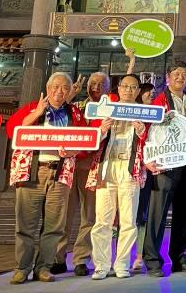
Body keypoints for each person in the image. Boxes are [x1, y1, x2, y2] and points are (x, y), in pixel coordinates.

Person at [6, 72, 87, 284]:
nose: (60, 91)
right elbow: (12, 130)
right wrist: (35, 114)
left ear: (70, 91)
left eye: (65, 88)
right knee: (26, 224)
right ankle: (22, 268)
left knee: (54, 226)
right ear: (48, 87)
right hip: (32, 171)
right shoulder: (34, 106)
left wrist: (73, 152)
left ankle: (43, 267)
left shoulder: (75, 114)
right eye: (56, 87)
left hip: (60, 173)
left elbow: (85, 141)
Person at [143, 60, 186, 277]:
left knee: (183, 212)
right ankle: (152, 260)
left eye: (184, 74)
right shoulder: (158, 101)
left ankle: (178, 257)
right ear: (167, 77)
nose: (180, 77)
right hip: (164, 163)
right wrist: (147, 159)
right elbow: (149, 131)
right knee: (158, 213)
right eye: (176, 74)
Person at [88, 74, 148, 280]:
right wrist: (102, 129)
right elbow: (90, 140)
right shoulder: (104, 110)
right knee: (102, 220)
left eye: (133, 87)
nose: (129, 90)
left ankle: (122, 263)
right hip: (106, 168)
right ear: (119, 88)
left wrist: (142, 132)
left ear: (138, 91)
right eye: (125, 86)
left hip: (130, 169)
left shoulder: (146, 113)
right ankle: (101, 265)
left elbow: (154, 142)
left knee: (129, 220)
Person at [54, 71, 108, 276]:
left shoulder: (108, 109)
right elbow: (56, 116)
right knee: (64, 213)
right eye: (93, 83)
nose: (96, 86)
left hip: (93, 165)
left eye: (102, 84)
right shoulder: (75, 106)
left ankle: (80, 259)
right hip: (70, 164)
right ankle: (58, 257)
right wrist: (69, 96)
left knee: (89, 215)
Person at [132, 82, 155, 272]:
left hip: (151, 171)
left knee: (143, 214)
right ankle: (118, 256)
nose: (150, 96)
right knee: (127, 215)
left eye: (153, 93)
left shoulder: (157, 116)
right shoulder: (131, 113)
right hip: (132, 169)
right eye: (148, 93)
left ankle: (139, 255)